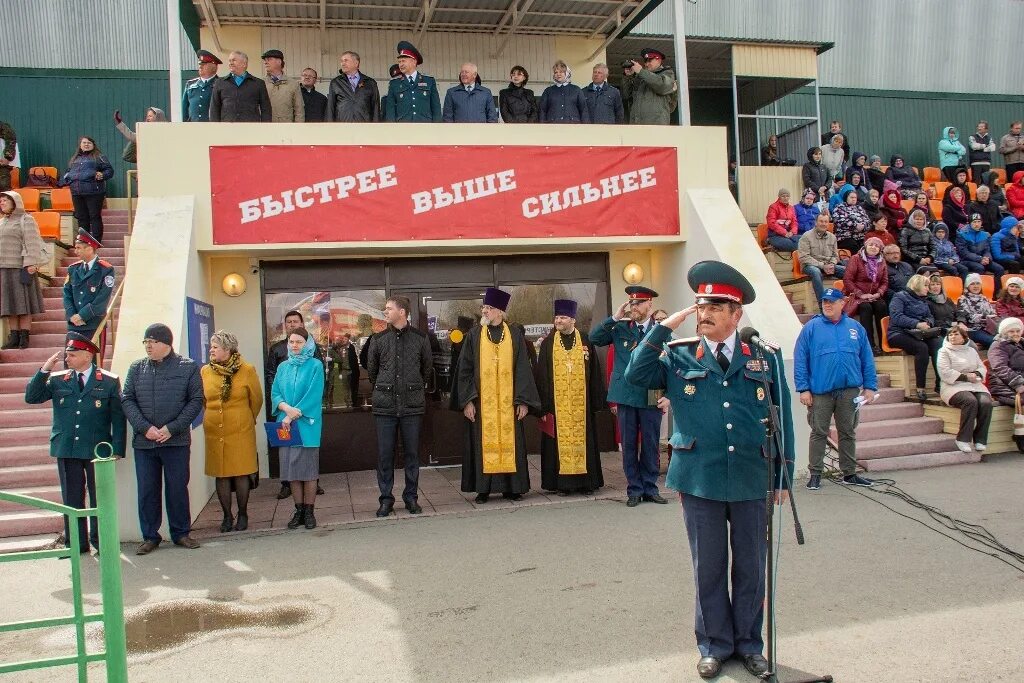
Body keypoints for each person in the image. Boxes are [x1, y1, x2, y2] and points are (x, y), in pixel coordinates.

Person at [623, 260, 793, 680]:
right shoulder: (678, 354)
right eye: (701, 305)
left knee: (752, 567)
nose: (706, 313)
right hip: (699, 476)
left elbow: (782, 417)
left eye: (717, 306)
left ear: (737, 315)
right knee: (709, 566)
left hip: (753, 474)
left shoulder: (763, 358)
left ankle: (750, 645)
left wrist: (782, 477)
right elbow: (634, 375)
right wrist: (664, 328)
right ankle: (714, 645)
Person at [25, 333, 125, 554]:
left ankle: (102, 542)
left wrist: (117, 448)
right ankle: (76, 544)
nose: (66, 358)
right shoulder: (58, 379)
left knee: (100, 498)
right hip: (67, 447)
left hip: (97, 449)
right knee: (71, 498)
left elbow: (118, 418)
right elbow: (32, 397)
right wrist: (44, 371)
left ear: (88, 356)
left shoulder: (108, 381)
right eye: (67, 354)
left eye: (72, 354)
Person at [122, 323, 204, 555]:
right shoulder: (137, 368)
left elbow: (195, 400)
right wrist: (145, 427)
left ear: (166, 343)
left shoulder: (187, 367)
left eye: (153, 342)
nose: (148, 346)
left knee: (177, 487)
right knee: (147, 490)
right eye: (146, 342)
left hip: (175, 441)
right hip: (145, 442)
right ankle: (150, 536)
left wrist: (172, 428)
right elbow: (127, 399)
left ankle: (181, 532)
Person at [456, 287, 541, 503]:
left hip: (508, 405)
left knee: (511, 444)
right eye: (483, 307)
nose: (484, 311)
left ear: (500, 311)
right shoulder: (474, 335)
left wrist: (522, 400)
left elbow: (523, 368)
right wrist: (467, 400)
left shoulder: (514, 335)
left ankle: (513, 488)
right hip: (483, 405)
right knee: (482, 444)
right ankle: (482, 488)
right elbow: (464, 369)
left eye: (489, 308)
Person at [590, 285, 667, 506]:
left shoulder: (661, 330)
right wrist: (614, 317)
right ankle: (634, 488)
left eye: (638, 303)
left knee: (651, 443)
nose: (633, 307)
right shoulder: (620, 328)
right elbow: (595, 338)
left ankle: (650, 488)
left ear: (649, 304)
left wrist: (669, 394)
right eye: (631, 303)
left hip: (652, 393)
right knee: (629, 444)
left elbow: (671, 364)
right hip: (625, 394)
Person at [796, 287, 877, 490]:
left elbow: (866, 358)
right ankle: (815, 474)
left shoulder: (855, 328)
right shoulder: (811, 328)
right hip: (820, 391)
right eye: (825, 302)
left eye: (832, 302)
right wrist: (803, 388)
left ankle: (849, 473)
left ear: (843, 303)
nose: (828, 305)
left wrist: (870, 387)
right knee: (819, 432)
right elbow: (800, 359)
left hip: (849, 390)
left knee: (848, 431)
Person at [366, 295, 432, 517]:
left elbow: (426, 368)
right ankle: (386, 499)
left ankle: (411, 498)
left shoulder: (420, 339)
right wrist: (385, 388)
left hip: (412, 406)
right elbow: (372, 371)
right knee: (385, 455)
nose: (385, 312)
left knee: (412, 455)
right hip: (385, 407)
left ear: (402, 312)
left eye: (388, 308)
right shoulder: (378, 339)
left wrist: (413, 387)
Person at [535, 299, 605, 496]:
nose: (558, 320)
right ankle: (562, 484)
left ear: (573, 319)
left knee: (585, 443)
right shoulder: (549, 343)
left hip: (581, 406)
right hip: (557, 406)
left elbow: (595, 373)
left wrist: (596, 401)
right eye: (557, 317)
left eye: (563, 317)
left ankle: (586, 483)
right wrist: (544, 406)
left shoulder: (584, 340)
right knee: (557, 445)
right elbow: (542, 375)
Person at [201, 330, 262, 533]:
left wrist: (245, 419)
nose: (211, 350)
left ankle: (243, 513)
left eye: (215, 347)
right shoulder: (205, 371)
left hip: (241, 429)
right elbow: (203, 400)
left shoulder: (247, 369)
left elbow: (257, 399)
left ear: (227, 350)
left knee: (241, 473)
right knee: (222, 474)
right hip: (215, 430)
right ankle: (227, 516)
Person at [265, 310, 326, 500]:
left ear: (307, 343)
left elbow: (314, 394)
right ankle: (298, 511)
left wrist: (293, 414)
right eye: (291, 342)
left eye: (299, 342)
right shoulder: (283, 366)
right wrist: (285, 408)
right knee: (290, 471)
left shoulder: (315, 365)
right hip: (285, 424)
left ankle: (309, 512)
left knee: (307, 471)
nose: (294, 345)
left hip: (306, 423)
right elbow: (275, 392)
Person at [937, 324, 992, 452]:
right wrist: (966, 377)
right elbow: (944, 372)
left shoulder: (972, 351)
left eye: (956, 334)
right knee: (970, 401)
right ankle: (963, 439)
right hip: (953, 386)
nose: (952, 336)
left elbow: (981, 367)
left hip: (975, 384)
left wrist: (977, 374)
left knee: (986, 402)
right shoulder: (944, 351)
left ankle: (980, 439)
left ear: (963, 337)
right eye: (950, 334)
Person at [887, 275, 941, 402]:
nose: (928, 289)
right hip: (898, 333)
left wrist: (928, 323)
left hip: (919, 332)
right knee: (921, 348)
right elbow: (896, 317)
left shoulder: (923, 300)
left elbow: (930, 316)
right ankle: (920, 387)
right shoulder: (899, 297)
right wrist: (916, 324)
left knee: (938, 343)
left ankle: (940, 383)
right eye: (926, 286)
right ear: (917, 285)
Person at [62, 228, 116, 352]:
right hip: (74, 325)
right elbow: (67, 294)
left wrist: (82, 316)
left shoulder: (106, 269)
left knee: (92, 363)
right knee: (71, 362)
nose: (75, 251)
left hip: (93, 324)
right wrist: (72, 316)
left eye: (79, 248)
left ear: (90, 248)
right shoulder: (73, 269)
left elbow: (102, 299)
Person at [60, 137, 114, 242]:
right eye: (84, 143)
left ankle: (96, 241)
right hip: (77, 192)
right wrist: (66, 179)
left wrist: (102, 175)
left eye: (89, 143)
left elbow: (109, 170)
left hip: (94, 192)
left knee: (94, 216)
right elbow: (68, 172)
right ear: (80, 145)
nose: (86, 144)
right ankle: (84, 241)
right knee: (82, 217)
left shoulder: (99, 157)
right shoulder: (75, 158)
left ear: (93, 145)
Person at [843, 236, 889, 351]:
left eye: (876, 246)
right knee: (866, 307)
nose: (873, 247)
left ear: (880, 249)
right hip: (857, 296)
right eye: (871, 245)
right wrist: (861, 294)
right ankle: (869, 344)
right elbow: (847, 280)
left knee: (881, 305)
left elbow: (884, 282)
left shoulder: (882, 261)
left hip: (874, 296)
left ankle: (884, 341)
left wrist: (879, 293)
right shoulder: (855, 259)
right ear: (865, 246)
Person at [385, 41, 441, 122]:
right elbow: (390, 110)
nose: (400, 64)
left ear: (414, 61)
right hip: (403, 129)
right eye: (399, 62)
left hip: (425, 129)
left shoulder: (429, 81)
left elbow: (436, 108)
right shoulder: (394, 84)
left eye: (403, 61)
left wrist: (437, 128)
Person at [798, 213, 846, 308]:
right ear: (816, 222)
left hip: (828, 265)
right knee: (816, 272)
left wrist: (832, 264)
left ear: (828, 224)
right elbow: (804, 257)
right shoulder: (806, 236)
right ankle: (822, 305)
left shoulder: (832, 237)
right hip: (810, 265)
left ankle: (845, 302)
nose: (823, 224)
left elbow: (835, 256)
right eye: (821, 221)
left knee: (847, 271)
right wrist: (822, 266)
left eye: (826, 222)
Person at [209, 51, 272, 122]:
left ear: (244, 64)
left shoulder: (258, 83)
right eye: (229, 61)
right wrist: (215, 128)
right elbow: (214, 109)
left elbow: (266, 109)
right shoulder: (220, 83)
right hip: (227, 129)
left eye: (234, 60)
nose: (231, 63)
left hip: (251, 129)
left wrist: (265, 129)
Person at [620, 48, 676, 125]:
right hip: (637, 124)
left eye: (650, 61)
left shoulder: (667, 73)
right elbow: (626, 95)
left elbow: (662, 86)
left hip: (656, 125)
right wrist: (628, 77)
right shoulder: (641, 77)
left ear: (659, 60)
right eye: (645, 61)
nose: (646, 64)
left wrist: (641, 71)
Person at [327, 51, 380, 122]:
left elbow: (376, 108)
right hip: (342, 127)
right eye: (341, 61)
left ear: (356, 63)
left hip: (365, 127)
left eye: (346, 60)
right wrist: (330, 128)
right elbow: (330, 108)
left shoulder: (370, 83)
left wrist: (375, 127)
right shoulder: (336, 82)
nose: (343, 63)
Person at [986, 317, 1024, 407]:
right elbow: (1000, 368)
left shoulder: (1021, 344)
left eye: (1018, 331)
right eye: (1011, 331)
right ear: (1004, 333)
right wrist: (1018, 384)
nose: (1016, 334)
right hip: (1003, 386)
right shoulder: (998, 346)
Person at [956, 212, 1004, 282]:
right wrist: (980, 259)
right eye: (974, 222)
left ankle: (997, 291)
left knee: (1000, 269)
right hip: (966, 260)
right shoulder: (962, 234)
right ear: (969, 223)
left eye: (979, 222)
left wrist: (987, 258)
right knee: (979, 268)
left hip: (982, 259)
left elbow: (987, 250)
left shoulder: (984, 234)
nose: (977, 224)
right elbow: (964, 253)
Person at [261, 49, 304, 123]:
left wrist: (298, 129)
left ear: (279, 61)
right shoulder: (261, 83)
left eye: (269, 59)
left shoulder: (293, 84)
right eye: (265, 60)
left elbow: (299, 110)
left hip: (286, 129)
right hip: (266, 128)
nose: (265, 62)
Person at [956, 273, 997, 348]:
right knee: (995, 342)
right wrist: (985, 317)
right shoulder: (962, 299)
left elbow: (993, 313)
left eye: (978, 283)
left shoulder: (984, 298)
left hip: (988, 328)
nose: (976, 286)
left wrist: (987, 317)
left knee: (1005, 339)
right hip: (973, 330)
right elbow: (968, 317)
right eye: (972, 284)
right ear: (967, 286)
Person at [182, 50, 222, 122]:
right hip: (193, 129)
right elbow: (184, 109)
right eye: (200, 64)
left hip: (213, 129)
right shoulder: (190, 84)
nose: (200, 66)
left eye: (204, 64)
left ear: (214, 67)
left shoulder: (221, 84)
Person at [832, 186, 870, 253]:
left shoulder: (859, 208)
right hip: (845, 238)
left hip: (860, 237)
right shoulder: (839, 207)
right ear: (846, 198)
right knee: (854, 246)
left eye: (855, 197)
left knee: (868, 246)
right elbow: (839, 221)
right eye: (851, 197)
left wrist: (863, 226)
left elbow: (867, 221)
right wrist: (855, 225)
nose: (854, 199)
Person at [328, 333, 359, 408]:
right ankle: (347, 402)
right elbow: (339, 360)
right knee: (345, 387)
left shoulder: (352, 348)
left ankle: (352, 402)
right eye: (344, 339)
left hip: (351, 370)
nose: (344, 340)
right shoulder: (341, 349)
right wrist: (340, 372)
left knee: (352, 387)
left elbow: (355, 360)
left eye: (346, 339)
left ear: (349, 339)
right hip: (344, 370)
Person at [0, 120, 16, 191]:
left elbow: (10, 139)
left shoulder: (3, 127)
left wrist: (7, 157)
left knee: (4, 190)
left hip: (2, 165)